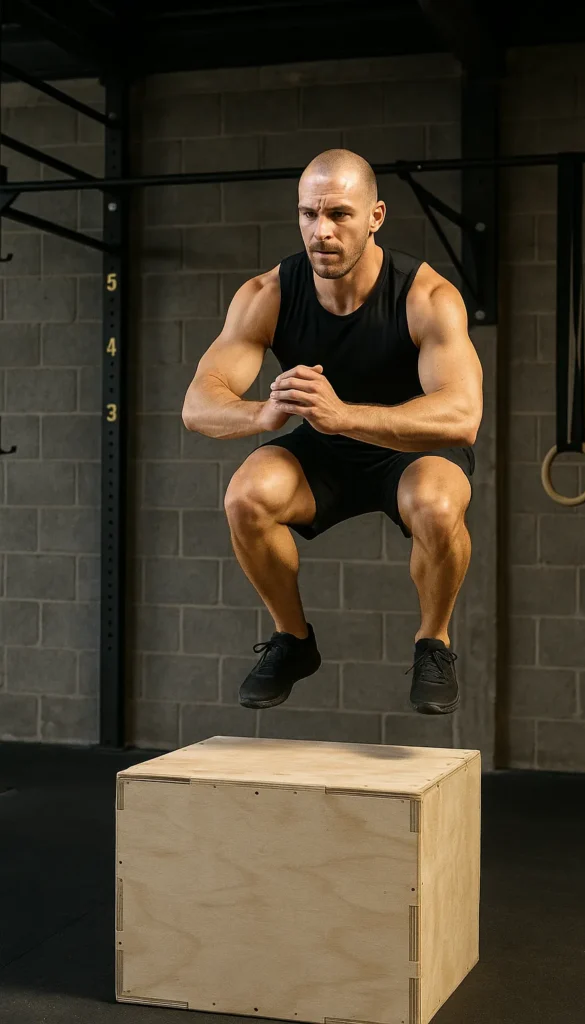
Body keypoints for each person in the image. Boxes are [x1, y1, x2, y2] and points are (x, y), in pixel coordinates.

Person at [182, 148, 483, 716]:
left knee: (439, 506)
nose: (321, 231)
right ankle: (294, 641)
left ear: (375, 217)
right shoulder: (267, 294)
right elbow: (199, 403)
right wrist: (263, 415)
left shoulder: (426, 296)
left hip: (409, 448)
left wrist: (347, 415)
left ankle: (433, 642)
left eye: (340, 215)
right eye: (308, 215)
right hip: (321, 445)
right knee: (246, 497)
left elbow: (462, 416)